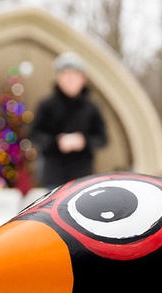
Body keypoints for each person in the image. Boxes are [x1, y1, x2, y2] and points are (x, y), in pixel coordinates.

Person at [30, 51, 108, 190]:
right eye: (66, 74)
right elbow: (34, 134)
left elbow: (102, 139)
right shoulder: (46, 105)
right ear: (58, 78)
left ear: (83, 79)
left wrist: (84, 141)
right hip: (53, 176)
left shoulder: (92, 108)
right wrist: (56, 142)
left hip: (83, 176)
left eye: (74, 74)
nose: (70, 79)